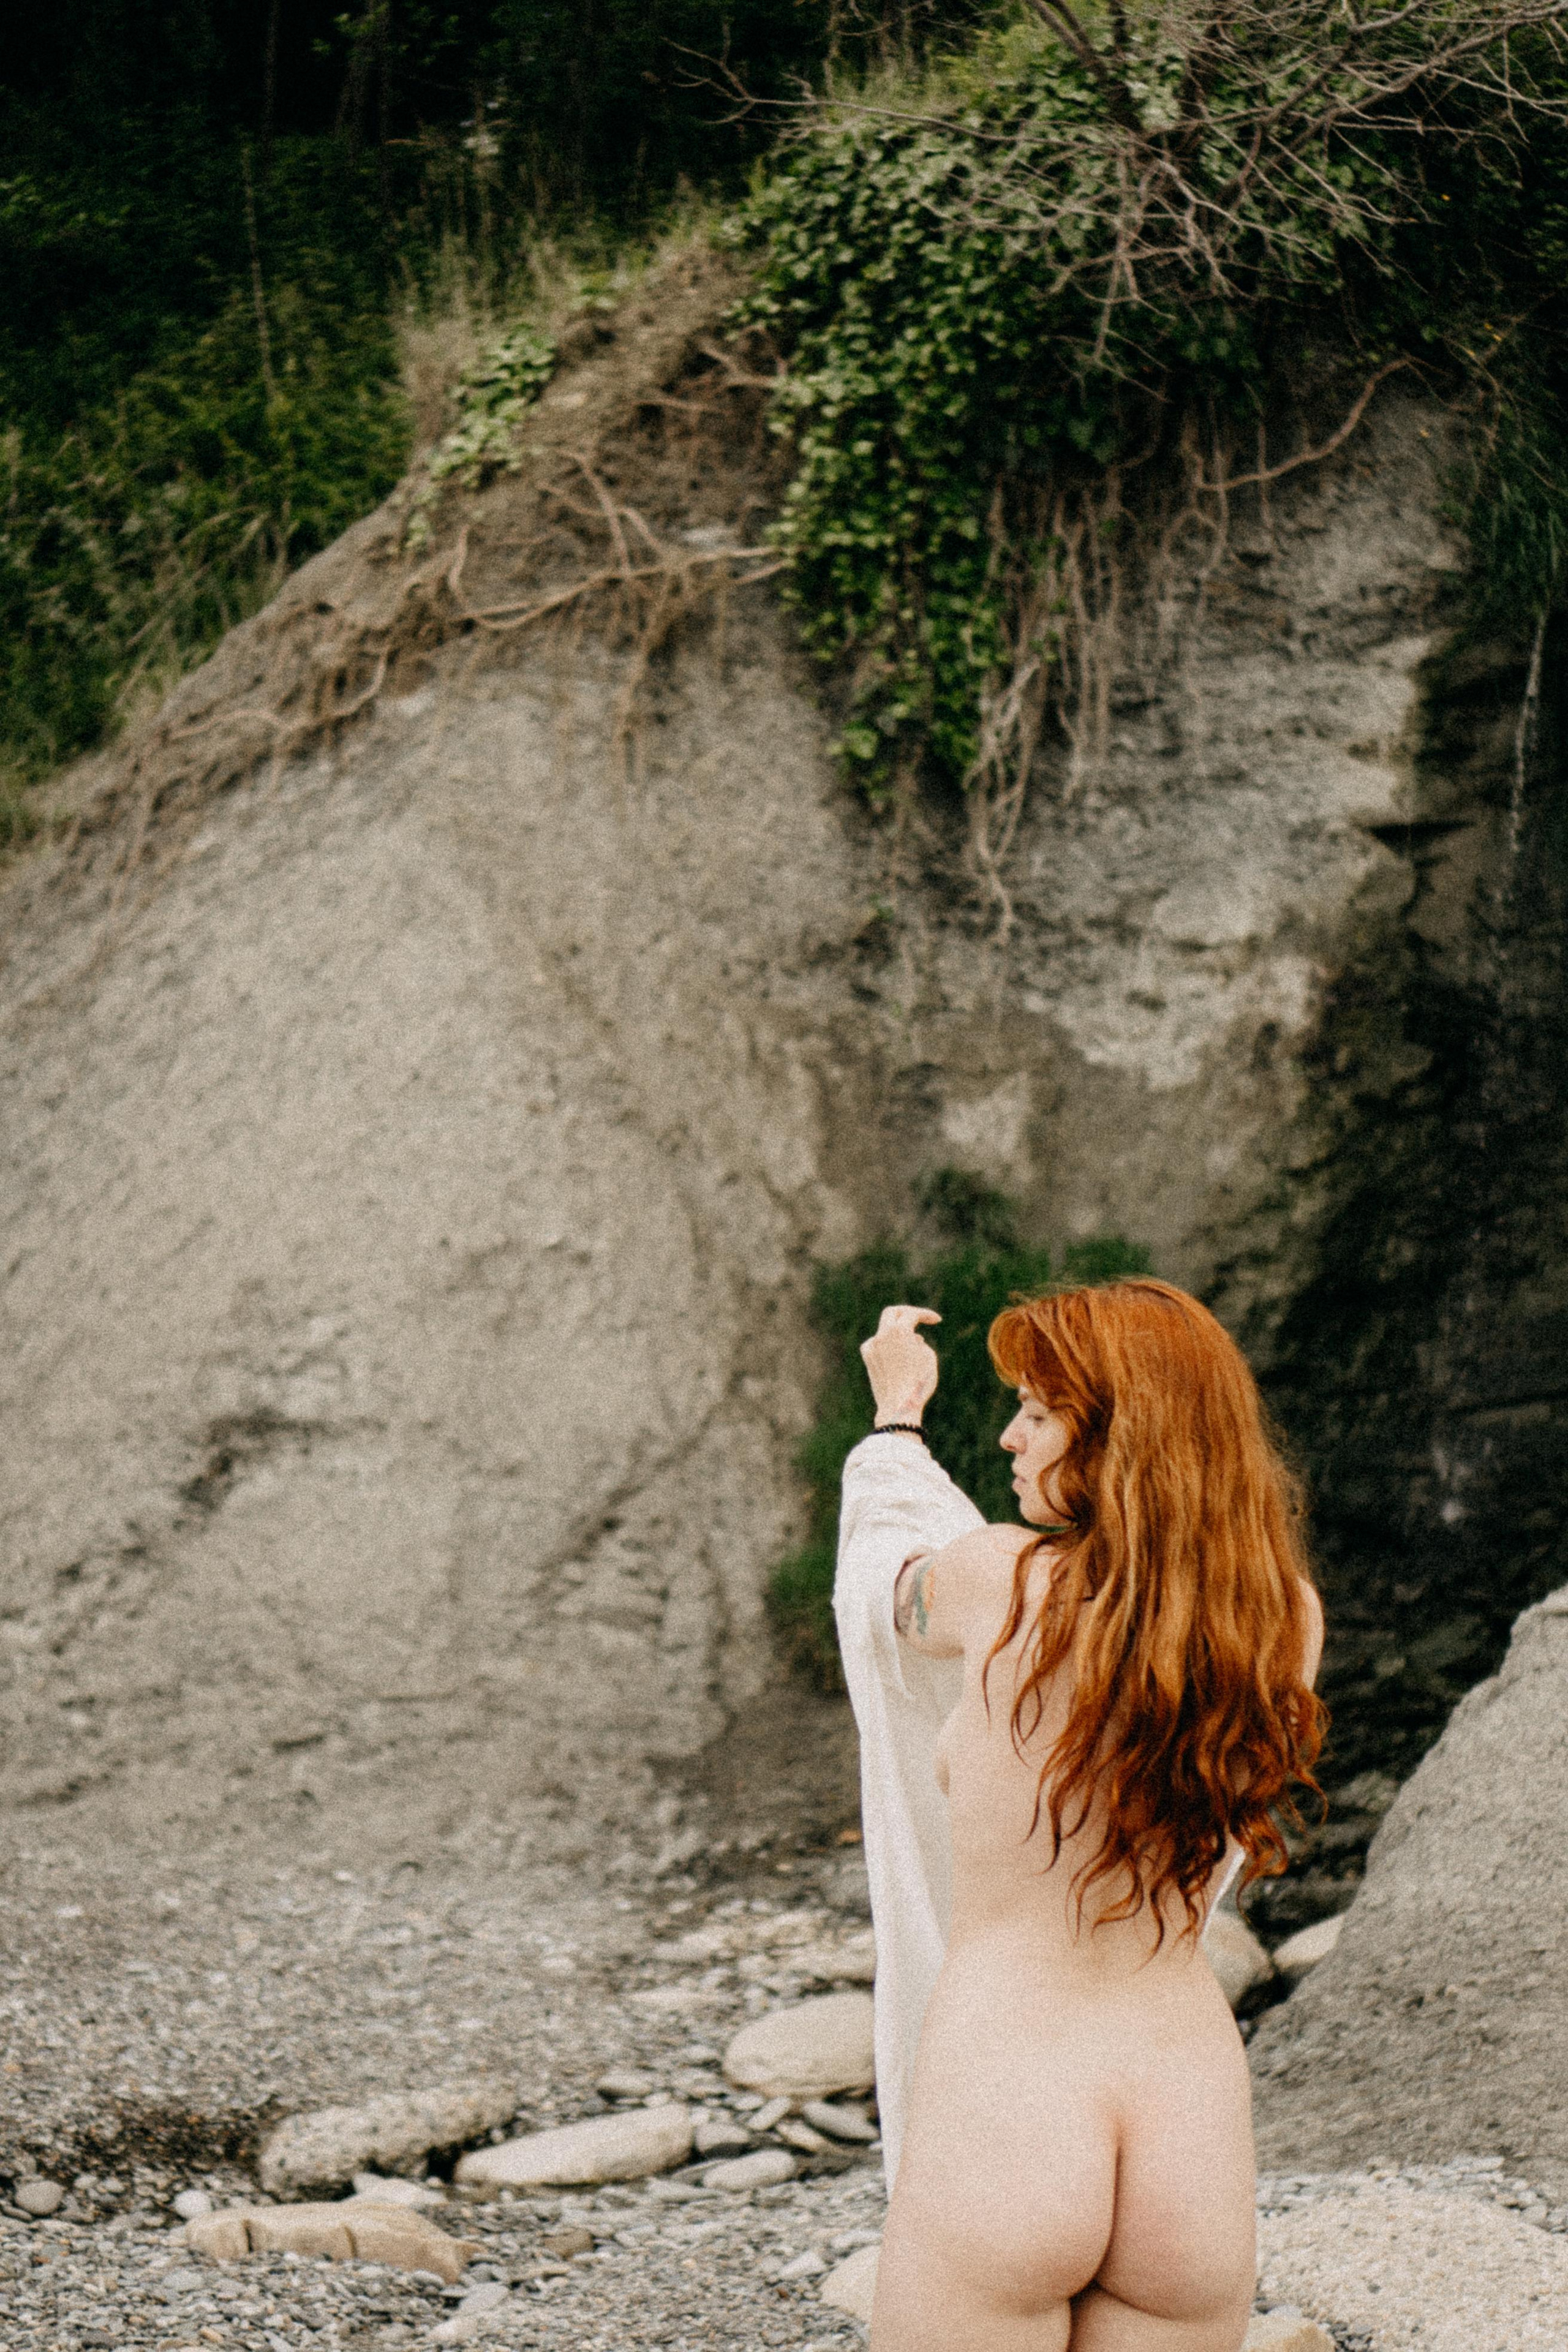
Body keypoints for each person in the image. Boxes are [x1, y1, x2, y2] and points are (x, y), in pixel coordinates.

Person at [834, 1278, 1325, 2352]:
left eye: (1038, 1412)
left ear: (1117, 1441)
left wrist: (896, 1422)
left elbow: (879, 1578)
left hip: (1010, 2100)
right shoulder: (1280, 1617)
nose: (1010, 1436)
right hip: (1187, 2125)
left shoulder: (988, 1582)